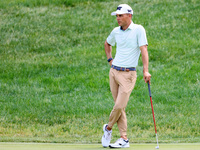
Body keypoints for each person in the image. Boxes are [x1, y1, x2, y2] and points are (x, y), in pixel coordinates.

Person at [101, 4, 151, 148]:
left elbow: (144, 50)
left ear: (129, 15)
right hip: (114, 72)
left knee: (119, 105)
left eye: (120, 15)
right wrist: (110, 59)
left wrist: (145, 70)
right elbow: (107, 44)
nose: (118, 18)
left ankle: (108, 128)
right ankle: (124, 138)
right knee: (120, 108)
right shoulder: (116, 31)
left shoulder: (138, 30)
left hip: (128, 74)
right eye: (116, 16)